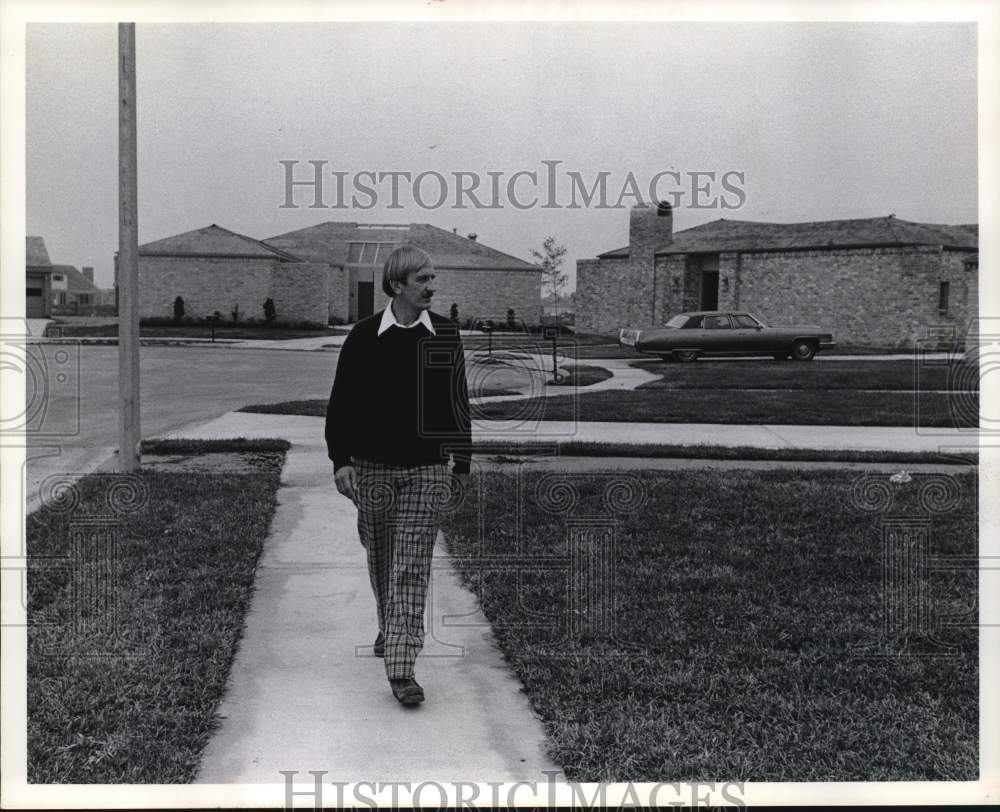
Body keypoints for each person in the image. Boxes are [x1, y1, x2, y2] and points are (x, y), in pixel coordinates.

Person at [325, 244, 471, 706]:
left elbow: (456, 403)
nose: (432, 286)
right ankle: (391, 627)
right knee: (382, 556)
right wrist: (340, 460)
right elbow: (342, 402)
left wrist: (461, 465)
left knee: (411, 565)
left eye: (433, 277)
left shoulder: (445, 335)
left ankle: (402, 668)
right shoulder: (365, 336)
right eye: (423, 280)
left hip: (427, 468)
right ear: (398, 285)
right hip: (371, 468)